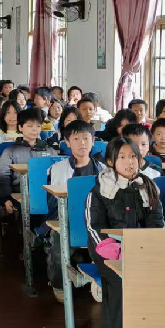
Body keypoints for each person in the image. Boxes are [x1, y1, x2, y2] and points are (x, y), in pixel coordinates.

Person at [86, 137, 165, 328]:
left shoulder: (148, 186)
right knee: (122, 283)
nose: (129, 162)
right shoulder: (100, 190)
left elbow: (157, 222)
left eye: (133, 157)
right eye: (122, 157)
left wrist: (148, 248)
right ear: (111, 161)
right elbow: (94, 228)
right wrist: (118, 253)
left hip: (143, 250)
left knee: (156, 281)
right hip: (109, 252)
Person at [46, 119, 106, 302]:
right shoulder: (57, 169)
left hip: (97, 221)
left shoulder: (104, 170)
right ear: (67, 142)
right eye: (76, 139)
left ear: (93, 141)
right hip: (68, 220)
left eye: (86, 138)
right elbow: (53, 203)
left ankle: (103, 282)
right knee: (59, 246)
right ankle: (59, 284)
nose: (82, 143)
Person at [0, 109, 58, 235]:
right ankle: (36, 236)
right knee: (33, 206)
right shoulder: (11, 151)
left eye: (38, 126)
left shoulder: (49, 150)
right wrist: (5, 199)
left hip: (46, 192)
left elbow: (57, 171)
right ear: (20, 127)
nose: (34, 129)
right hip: (21, 191)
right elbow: (1, 175)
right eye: (29, 126)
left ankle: (43, 235)